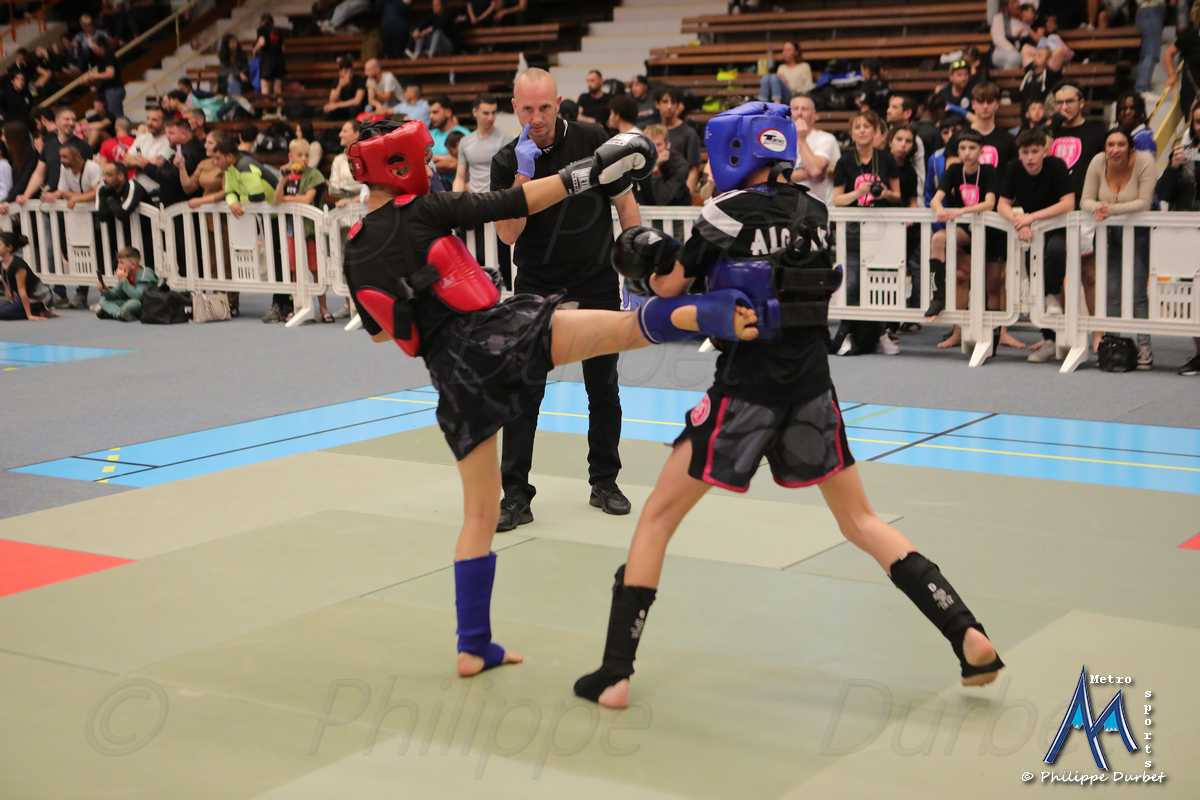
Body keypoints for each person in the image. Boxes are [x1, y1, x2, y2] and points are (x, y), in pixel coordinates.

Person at [572, 101, 1004, 709]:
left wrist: (639, 252)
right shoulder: (815, 210)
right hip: (812, 388)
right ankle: (967, 633)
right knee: (861, 522)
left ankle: (615, 673)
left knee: (657, 520)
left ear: (733, 152)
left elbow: (669, 285)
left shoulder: (724, 211)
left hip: (745, 390)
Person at [341, 117, 754, 677]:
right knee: (623, 329)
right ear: (400, 164)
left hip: (452, 377)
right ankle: (729, 311)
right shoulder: (425, 211)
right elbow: (517, 200)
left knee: (478, 515)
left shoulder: (356, 252)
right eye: (421, 157)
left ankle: (472, 646)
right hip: (495, 336)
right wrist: (587, 173)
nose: (428, 166)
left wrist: (427, 290)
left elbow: (385, 334)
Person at [490, 68, 645, 530]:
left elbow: (625, 205)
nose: (536, 118)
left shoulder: (594, 141)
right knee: (524, 391)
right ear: (514, 108)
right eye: (527, 109)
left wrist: (636, 264)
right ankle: (515, 495)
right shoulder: (506, 160)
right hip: (537, 285)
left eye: (544, 108)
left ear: (558, 103)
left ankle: (605, 481)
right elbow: (508, 234)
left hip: (596, 281)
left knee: (603, 387)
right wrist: (523, 171)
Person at [926, 129, 1015, 351]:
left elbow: (989, 202)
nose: (967, 153)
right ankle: (940, 302)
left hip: (992, 233)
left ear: (981, 151)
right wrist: (940, 210)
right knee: (939, 240)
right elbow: (936, 199)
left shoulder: (989, 171)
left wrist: (959, 212)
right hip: (967, 229)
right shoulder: (954, 170)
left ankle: (996, 334)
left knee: (993, 285)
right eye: (963, 148)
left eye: (972, 148)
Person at [997, 127, 1075, 363]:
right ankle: (1050, 339)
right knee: (1034, 280)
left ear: (1044, 151)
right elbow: (1002, 205)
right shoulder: (1013, 168)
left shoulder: (1057, 166)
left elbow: (1068, 203)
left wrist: (1031, 218)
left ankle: (1052, 297)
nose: (1030, 157)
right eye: (1025, 152)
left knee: (1055, 253)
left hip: (1059, 227)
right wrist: (1018, 222)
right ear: (1019, 153)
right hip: (1031, 232)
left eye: (1034, 151)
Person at [1080, 127, 1156, 366]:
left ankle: (1145, 347)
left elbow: (1144, 203)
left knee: (1138, 291)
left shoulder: (1145, 161)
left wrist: (1109, 209)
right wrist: (1098, 208)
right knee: (1111, 291)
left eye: (1121, 144)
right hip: (1107, 232)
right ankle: (1113, 344)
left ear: (1130, 148)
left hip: (1138, 232)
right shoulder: (1097, 162)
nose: (1115, 150)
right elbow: (1085, 200)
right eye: (1110, 145)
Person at [275, 138, 330, 323]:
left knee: (316, 269)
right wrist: (282, 180)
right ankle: (298, 306)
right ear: (290, 156)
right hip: (292, 229)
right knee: (294, 269)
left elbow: (307, 199)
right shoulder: (287, 174)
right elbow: (276, 199)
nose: (304, 159)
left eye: (307, 155)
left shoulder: (314, 174)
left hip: (311, 230)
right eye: (300, 155)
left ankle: (323, 307)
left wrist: (287, 200)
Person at [789, 93, 840, 208]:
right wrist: (805, 174)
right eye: (795, 108)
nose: (799, 113)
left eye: (804, 109)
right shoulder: (782, 140)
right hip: (789, 207)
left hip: (821, 208)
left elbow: (815, 171)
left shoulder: (826, 139)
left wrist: (801, 139)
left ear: (814, 115)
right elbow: (773, 177)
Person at [454, 95, 506, 194]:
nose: (491, 118)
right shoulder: (465, 142)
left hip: (497, 198)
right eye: (486, 113)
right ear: (475, 112)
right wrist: (455, 197)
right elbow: (459, 177)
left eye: (493, 113)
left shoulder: (505, 140)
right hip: (474, 199)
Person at [0, 231, 54, 320]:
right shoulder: (2, 264)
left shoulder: (18, 265)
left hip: (37, 298)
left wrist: (29, 315)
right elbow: (8, 290)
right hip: (21, 299)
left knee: (2, 313)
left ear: (9, 248)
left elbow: (22, 291)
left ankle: (39, 311)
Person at [656, 89, 701, 196]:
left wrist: (687, 196)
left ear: (678, 106)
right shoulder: (653, 132)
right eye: (665, 101)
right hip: (656, 190)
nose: (669, 106)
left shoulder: (689, 133)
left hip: (679, 192)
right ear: (657, 104)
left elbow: (694, 169)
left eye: (673, 102)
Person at [634, 124, 690, 206]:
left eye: (659, 145)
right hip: (647, 210)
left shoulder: (680, 165)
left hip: (677, 210)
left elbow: (662, 199)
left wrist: (655, 169)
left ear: (667, 145)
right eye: (650, 144)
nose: (654, 149)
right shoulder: (640, 162)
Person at [96, 247, 156, 321]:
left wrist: (124, 281)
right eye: (118, 262)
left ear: (133, 265)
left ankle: (113, 312)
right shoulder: (126, 274)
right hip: (127, 301)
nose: (118, 266)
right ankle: (119, 314)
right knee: (103, 300)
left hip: (144, 304)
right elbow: (116, 294)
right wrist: (105, 290)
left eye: (121, 262)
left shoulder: (145, 274)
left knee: (133, 303)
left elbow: (138, 296)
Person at [41, 144, 101, 208]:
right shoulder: (64, 168)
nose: (61, 160)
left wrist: (75, 198)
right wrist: (53, 195)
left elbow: (98, 193)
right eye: (60, 157)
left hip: (94, 210)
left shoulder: (92, 167)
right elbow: (63, 192)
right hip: (76, 210)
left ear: (77, 156)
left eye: (65, 157)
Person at [254, 14, 286, 116]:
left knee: (265, 90)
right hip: (279, 62)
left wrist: (255, 49)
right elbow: (283, 48)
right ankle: (279, 111)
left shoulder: (262, 30)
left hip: (267, 62)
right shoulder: (278, 31)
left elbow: (262, 42)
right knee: (278, 90)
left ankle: (266, 112)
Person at [328, 120, 366, 205]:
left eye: (344, 131)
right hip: (343, 205)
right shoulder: (338, 159)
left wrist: (345, 189)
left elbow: (370, 189)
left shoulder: (367, 158)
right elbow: (332, 189)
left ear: (356, 134)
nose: (340, 134)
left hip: (365, 205)